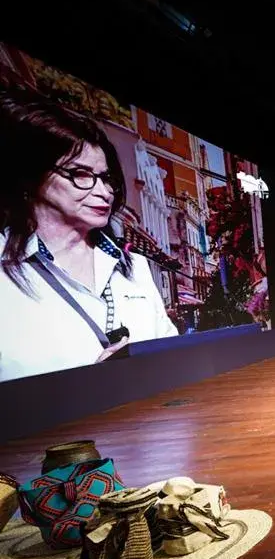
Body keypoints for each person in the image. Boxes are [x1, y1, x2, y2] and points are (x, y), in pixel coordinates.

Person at [1, 96, 178, 382]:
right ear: (32, 178)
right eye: (81, 174)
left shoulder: (136, 266)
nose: (105, 191)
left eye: (105, 178)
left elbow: (173, 358)